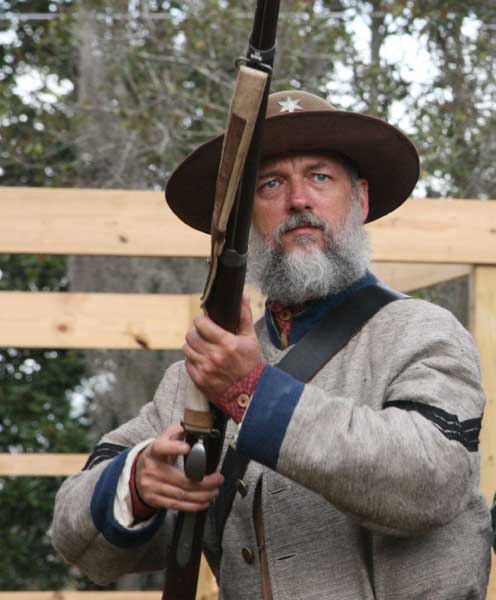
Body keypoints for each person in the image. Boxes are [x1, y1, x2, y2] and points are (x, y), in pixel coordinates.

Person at [51, 90, 492, 599]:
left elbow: (431, 482)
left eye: (320, 177)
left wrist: (252, 392)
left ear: (361, 199)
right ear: (243, 223)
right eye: (271, 183)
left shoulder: (424, 332)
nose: (298, 199)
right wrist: (137, 482)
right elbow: (75, 536)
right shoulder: (200, 376)